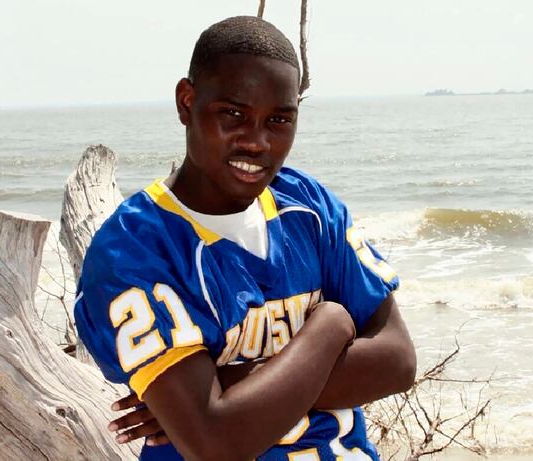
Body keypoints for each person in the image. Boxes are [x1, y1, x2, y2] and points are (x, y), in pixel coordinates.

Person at [75, 15, 416, 461]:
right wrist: (331, 323)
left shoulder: (309, 207)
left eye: (278, 120)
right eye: (233, 114)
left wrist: (229, 385)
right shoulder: (135, 248)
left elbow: (397, 361)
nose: (257, 142)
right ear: (186, 101)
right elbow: (217, 443)